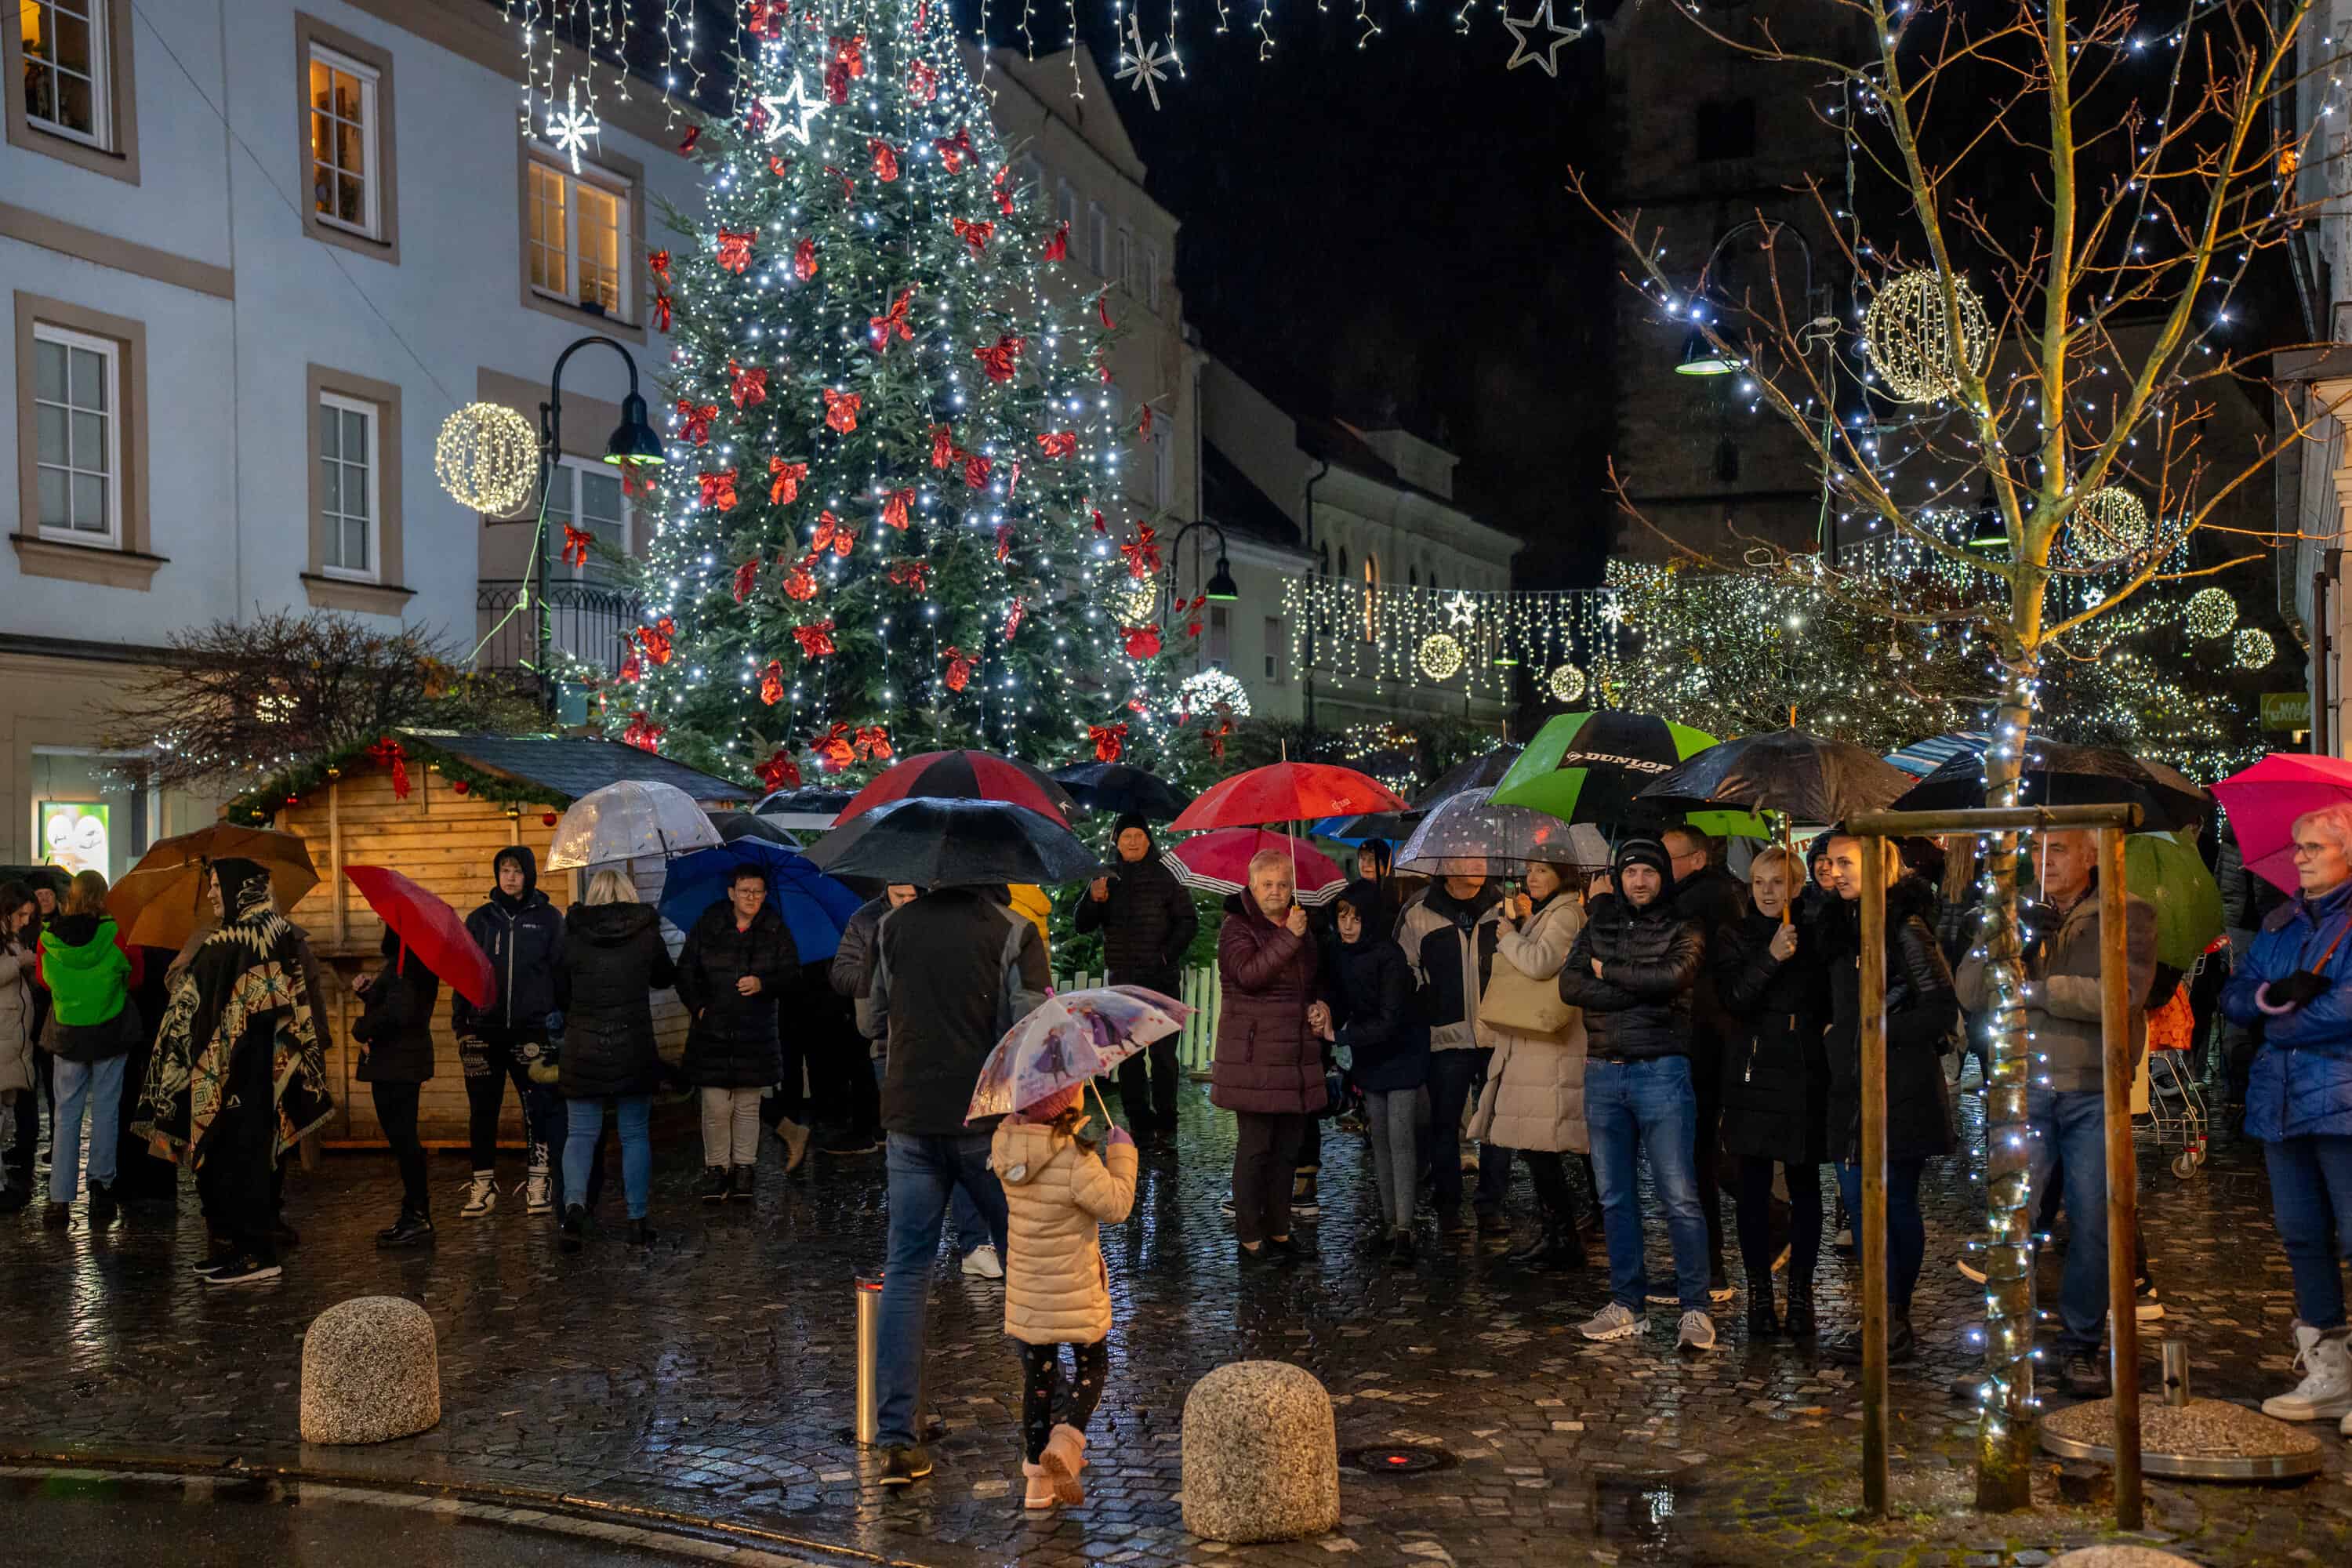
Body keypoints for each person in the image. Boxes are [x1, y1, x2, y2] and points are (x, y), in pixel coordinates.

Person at [1955, 828, 2155, 1396]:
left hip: (2091, 1085)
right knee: (2012, 1217)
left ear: (2091, 855)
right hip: (2022, 1085)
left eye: (2059, 848)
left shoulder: (2125, 913)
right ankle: (2009, 1345)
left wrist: (2039, 987)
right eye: (2037, 850)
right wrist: (2001, 934)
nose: (2044, 861)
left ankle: (2081, 1344)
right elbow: (1969, 990)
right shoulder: (2013, 911)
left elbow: (2120, 994)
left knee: (2093, 1221)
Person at [866, 879, 1048, 1485]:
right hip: (985, 1121)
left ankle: (896, 1438)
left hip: (909, 1118)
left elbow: (871, 1016)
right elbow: (1030, 1035)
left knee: (907, 1270)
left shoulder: (892, 927)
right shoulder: (1014, 930)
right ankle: (1045, 1424)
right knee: (1026, 1264)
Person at [137, 858, 334, 1283]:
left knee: (246, 1163)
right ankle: (240, 1246)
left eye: (215, 886)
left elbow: (261, 1007)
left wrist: (229, 1061)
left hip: (247, 1072)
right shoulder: (238, 934)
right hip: (230, 1070)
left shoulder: (261, 934)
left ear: (238, 887)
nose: (211, 894)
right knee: (227, 1161)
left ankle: (258, 1254)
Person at [2220, 802, 2352, 1430]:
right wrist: (2274, 997)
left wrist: (2282, 1022)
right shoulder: (2278, 923)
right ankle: (2329, 1371)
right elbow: (2237, 992)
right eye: (2297, 846)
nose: (2299, 857)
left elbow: (2347, 1009)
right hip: (2280, 1099)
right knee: (2301, 1235)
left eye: (2314, 848)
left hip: (2343, 1097)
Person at [1558, 840, 1714, 1350]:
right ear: (1620, 878)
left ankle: (1696, 1308)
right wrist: (1635, 987)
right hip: (1603, 1073)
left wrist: (1611, 974)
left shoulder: (1684, 925)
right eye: (1632, 872)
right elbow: (1570, 986)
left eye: (1649, 871)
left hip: (1661, 1071)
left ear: (1662, 877)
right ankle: (1627, 1303)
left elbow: (1673, 977)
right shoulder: (1597, 926)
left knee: (1679, 1196)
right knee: (1614, 1197)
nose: (1640, 881)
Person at [1815, 833, 1958, 1364]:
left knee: (1893, 1205)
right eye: (1832, 862)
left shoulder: (1905, 926)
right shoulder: (1839, 925)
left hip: (1898, 1087)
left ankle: (1894, 1317)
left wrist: (1878, 1029)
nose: (1838, 871)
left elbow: (1941, 1007)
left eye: (1848, 863)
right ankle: (1879, 1314)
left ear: (1880, 866)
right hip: (1850, 1086)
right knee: (1858, 1203)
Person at [992, 1080, 1138, 1509]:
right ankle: (1067, 1443)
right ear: (1067, 1105)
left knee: (1038, 1380)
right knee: (1093, 1365)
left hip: (1029, 1289)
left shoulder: (1007, 1147)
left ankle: (1037, 1483)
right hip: (1075, 1287)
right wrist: (1123, 1156)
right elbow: (1116, 1206)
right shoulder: (1076, 1158)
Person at [1713, 847, 1831, 1338]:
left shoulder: (1817, 933)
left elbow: (1827, 996)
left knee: (1805, 1185)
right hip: (1753, 1067)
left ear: (1797, 887)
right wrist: (1770, 957)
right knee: (1753, 1189)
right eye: (1759, 882)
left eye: (1778, 882)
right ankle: (1760, 1292)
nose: (1767, 891)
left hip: (1803, 1066)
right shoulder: (1735, 934)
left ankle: (1800, 1293)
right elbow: (1735, 998)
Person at [1468, 859, 1591, 1272]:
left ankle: (1564, 1237)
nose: (1531, 878)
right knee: (1538, 1148)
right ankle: (1556, 1234)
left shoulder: (1567, 914)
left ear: (1563, 873)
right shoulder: (1551, 913)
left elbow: (1540, 964)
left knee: (1543, 1149)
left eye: (1541, 870)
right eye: (1529, 871)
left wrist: (1508, 938)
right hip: (1536, 1046)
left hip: (1549, 1048)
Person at [552, 869, 677, 1252]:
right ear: (628, 893)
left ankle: (573, 1213)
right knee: (635, 1134)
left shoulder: (571, 933)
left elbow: (559, 990)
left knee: (580, 1134)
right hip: (633, 1045)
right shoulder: (646, 933)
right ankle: (637, 1222)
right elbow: (664, 978)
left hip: (582, 1045)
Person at [1213, 850, 1327, 1263]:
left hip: (1295, 1055)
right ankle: (1249, 1237)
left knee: (1287, 1151)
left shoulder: (1300, 924)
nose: (1276, 892)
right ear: (1252, 886)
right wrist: (1289, 937)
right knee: (1256, 1148)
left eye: (1283, 884)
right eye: (1268, 885)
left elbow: (1312, 979)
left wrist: (1320, 1005)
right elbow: (1249, 975)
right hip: (1256, 1058)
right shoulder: (1237, 928)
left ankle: (1280, 1230)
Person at [451, 846, 566, 1218]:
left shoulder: (549, 919)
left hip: (533, 1034)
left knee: (539, 1109)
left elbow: (562, 974)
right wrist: (462, 1023)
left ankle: (538, 1181)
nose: (510, 877)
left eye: (517, 870)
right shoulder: (480, 920)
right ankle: (483, 1185)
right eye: (504, 870)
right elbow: (464, 973)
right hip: (484, 1031)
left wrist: (558, 1019)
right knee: (483, 1110)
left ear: (528, 874)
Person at [1397, 865, 1509, 1237]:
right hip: (1445, 1037)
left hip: (1497, 1033)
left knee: (1496, 1125)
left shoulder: (1505, 906)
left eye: (1481, 855)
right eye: (1466, 855)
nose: (1477, 863)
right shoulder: (1419, 913)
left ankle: (1491, 1204)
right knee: (1444, 1125)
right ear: (1445, 864)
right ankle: (1448, 1206)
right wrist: (1424, 997)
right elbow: (1404, 967)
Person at [1320, 880, 1427, 1262]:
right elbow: (1337, 992)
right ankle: (1389, 1224)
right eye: (1342, 915)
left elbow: (1390, 1020)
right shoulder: (1339, 951)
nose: (1348, 924)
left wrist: (1341, 1035)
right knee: (1379, 1138)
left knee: (1400, 1139)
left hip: (1401, 1052)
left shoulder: (1390, 956)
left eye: (1356, 917)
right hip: (1371, 1054)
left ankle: (1405, 1230)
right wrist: (1325, 1008)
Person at [1076, 814, 1198, 1142]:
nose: (1132, 841)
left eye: (1138, 835)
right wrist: (1094, 900)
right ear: (1116, 841)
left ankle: (1167, 1115)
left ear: (1148, 839)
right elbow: (1082, 924)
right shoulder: (1105, 878)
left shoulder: (1166, 875)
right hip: (1123, 982)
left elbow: (1188, 921)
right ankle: (1138, 1116)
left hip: (1162, 979)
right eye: (1126, 835)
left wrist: (1164, 956)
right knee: (1129, 1054)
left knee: (1162, 1055)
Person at [678, 866, 797, 1203]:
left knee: (747, 1104)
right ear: (731, 893)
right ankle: (716, 1168)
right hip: (712, 1029)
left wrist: (764, 983)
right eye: (745, 891)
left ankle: (745, 1167)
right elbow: (686, 971)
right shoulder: (708, 925)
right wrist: (699, 1007)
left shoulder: (775, 929)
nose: (751, 898)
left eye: (758, 892)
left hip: (755, 1029)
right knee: (715, 1104)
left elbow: (791, 974)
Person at [37, 869, 143, 1229]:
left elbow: (41, 978)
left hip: (67, 1033)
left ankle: (59, 1200)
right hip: (110, 1030)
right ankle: (100, 1189)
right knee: (107, 1110)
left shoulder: (49, 938)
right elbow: (137, 975)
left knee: (65, 1116)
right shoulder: (117, 934)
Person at [1663, 826, 1742, 1298]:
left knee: (1697, 1154)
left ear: (1696, 859)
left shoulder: (1699, 899)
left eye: (1669, 858)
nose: (1661, 868)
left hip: (1702, 1039)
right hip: (1706, 1037)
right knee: (1699, 1153)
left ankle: (1710, 1267)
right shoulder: (1710, 893)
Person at [350, 929, 441, 1248]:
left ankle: (417, 1216)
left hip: (396, 1066)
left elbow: (398, 1013)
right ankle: (414, 1213)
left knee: (404, 1141)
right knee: (404, 1141)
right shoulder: (410, 963)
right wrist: (370, 993)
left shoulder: (407, 965)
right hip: (401, 1063)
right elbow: (399, 1004)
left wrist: (361, 1029)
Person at [0, 882, 45, 1201]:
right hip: (3, 1040)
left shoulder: (12, 940)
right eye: (21, 914)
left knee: (3, 1119)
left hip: (12, 1041)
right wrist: (20, 963)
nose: (26, 921)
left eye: (30, 915)